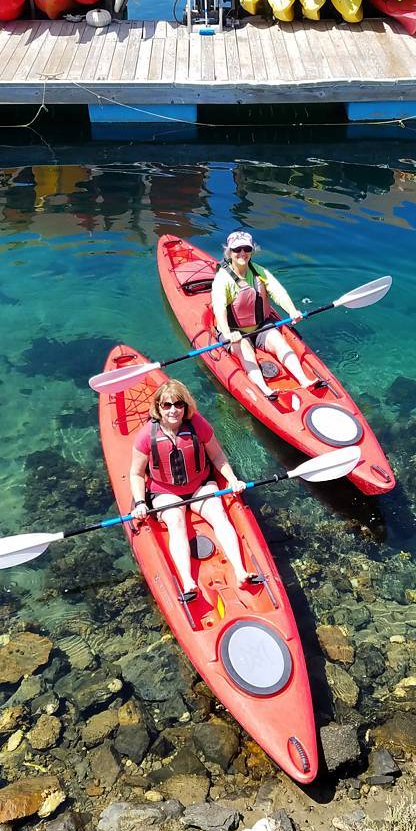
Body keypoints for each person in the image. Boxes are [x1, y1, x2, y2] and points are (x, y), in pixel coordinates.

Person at [128, 379, 258, 601]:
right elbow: (136, 474)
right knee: (175, 523)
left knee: (219, 515)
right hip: (165, 492)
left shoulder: (198, 425)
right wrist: (140, 503)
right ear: (158, 407)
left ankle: (240, 570)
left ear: (186, 406)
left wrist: (232, 479)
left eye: (178, 404)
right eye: (166, 405)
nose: (173, 410)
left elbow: (217, 455)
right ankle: (188, 581)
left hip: (200, 486)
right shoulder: (146, 435)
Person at [211, 230, 326, 401]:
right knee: (246, 352)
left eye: (246, 248)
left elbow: (278, 292)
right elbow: (219, 309)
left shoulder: (260, 272)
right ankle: (264, 390)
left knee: (280, 343)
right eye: (237, 249)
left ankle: (304, 380)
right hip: (235, 332)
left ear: (252, 250)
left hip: (260, 326)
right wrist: (228, 334)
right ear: (229, 251)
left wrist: (292, 311)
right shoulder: (223, 279)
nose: (242, 253)